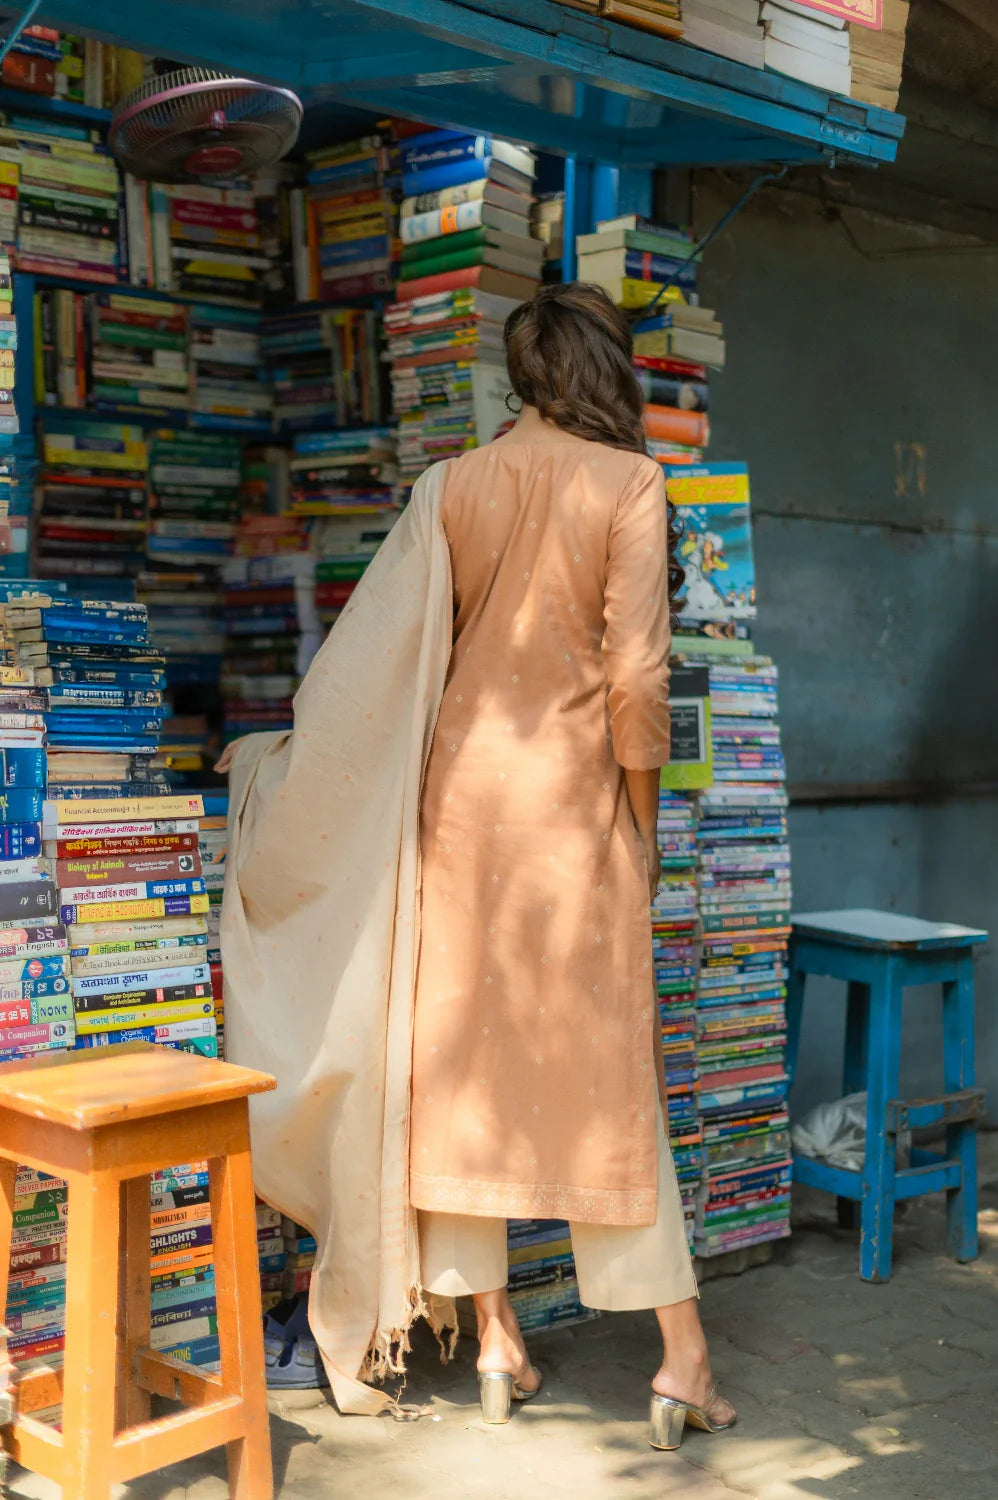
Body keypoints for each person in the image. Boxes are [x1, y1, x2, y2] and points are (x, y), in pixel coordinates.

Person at [218, 283, 735, 1451]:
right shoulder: (632, 485)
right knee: (611, 1083)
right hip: (570, 822)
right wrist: (640, 826)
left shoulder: (450, 486)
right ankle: (682, 1361)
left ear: (522, 377)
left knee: (459, 1081)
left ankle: (497, 1337)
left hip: (455, 824)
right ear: (606, 372)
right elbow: (636, 683)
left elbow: (376, 659)